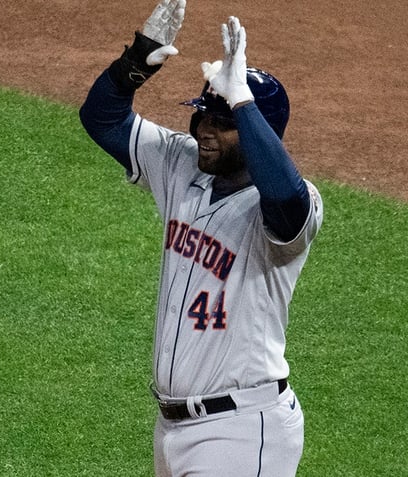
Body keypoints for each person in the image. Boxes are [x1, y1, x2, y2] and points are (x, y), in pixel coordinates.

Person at [79, 1, 323, 475]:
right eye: (203, 117)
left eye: (222, 122)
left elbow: (284, 199)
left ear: (260, 132)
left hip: (242, 428)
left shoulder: (296, 203)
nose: (206, 131)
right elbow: (102, 120)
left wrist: (243, 103)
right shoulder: (180, 163)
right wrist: (137, 59)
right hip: (171, 428)